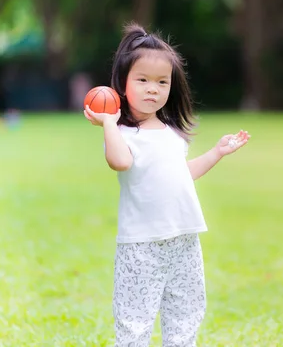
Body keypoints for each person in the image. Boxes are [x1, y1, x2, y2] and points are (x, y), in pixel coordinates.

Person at [83, 22, 251, 347]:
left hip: (185, 239)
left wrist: (217, 152)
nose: (153, 89)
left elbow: (179, 175)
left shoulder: (171, 132)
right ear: (122, 83)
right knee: (134, 321)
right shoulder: (122, 133)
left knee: (186, 315)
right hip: (142, 245)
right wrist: (108, 123)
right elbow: (120, 162)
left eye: (162, 82)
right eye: (142, 80)